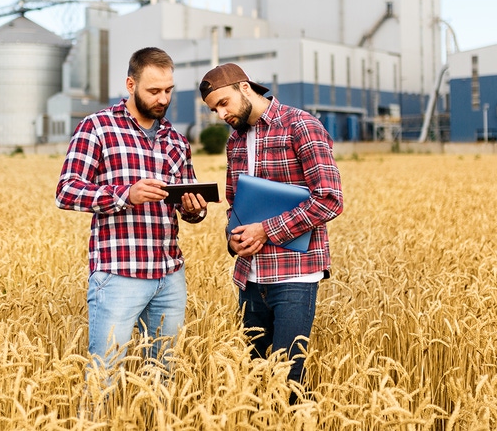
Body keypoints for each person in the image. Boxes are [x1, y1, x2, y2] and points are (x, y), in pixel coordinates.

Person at [56, 47, 208, 369]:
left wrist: (195, 208)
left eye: (168, 90)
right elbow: (66, 191)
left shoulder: (177, 140)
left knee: (163, 373)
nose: (163, 99)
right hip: (118, 274)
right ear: (130, 85)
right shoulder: (96, 127)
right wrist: (127, 194)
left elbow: (190, 204)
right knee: (105, 374)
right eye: (153, 91)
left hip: (169, 275)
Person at [199, 63, 343, 401]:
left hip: (295, 276)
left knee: (288, 382)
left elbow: (329, 199)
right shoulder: (235, 142)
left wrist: (266, 230)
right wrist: (233, 238)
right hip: (250, 279)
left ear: (245, 88)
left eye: (224, 103)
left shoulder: (300, 125)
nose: (221, 114)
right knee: (257, 380)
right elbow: (234, 204)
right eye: (214, 109)